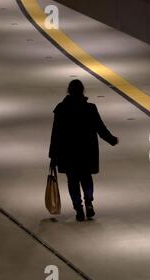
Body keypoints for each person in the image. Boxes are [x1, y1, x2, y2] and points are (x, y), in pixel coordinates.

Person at [49, 80, 119, 221]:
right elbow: (100, 128)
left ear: (68, 91)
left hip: (68, 153)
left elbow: (56, 134)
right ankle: (88, 203)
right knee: (86, 178)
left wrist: (53, 156)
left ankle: (78, 208)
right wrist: (112, 140)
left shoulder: (61, 109)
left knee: (72, 181)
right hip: (86, 151)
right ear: (82, 91)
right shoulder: (90, 108)